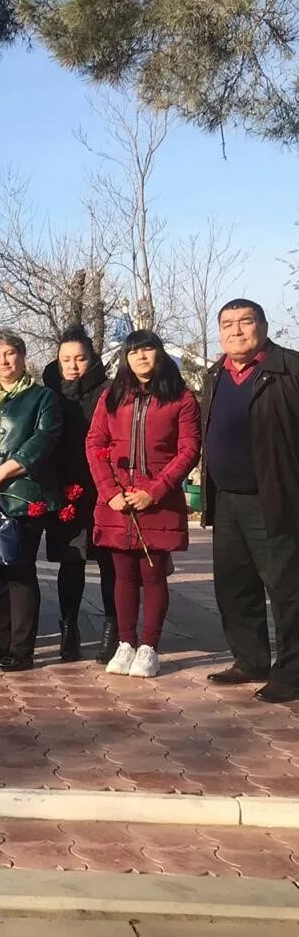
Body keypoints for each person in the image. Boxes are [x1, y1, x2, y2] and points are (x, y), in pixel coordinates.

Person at [86, 330, 201, 679]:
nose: (140, 357)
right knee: (122, 573)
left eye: (147, 350)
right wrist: (110, 492)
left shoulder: (182, 398)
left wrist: (156, 489)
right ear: (126, 358)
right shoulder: (111, 396)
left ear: (160, 354)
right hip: (118, 499)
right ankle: (126, 642)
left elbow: (188, 450)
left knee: (153, 574)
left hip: (158, 500)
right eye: (133, 352)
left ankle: (149, 646)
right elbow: (95, 444)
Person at [201, 299, 299, 703]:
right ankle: (250, 659)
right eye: (227, 324)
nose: (236, 331)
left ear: (263, 325)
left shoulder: (288, 369)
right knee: (234, 585)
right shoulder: (214, 375)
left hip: (275, 498)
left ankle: (291, 673)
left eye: (245, 322)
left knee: (287, 589)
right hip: (226, 500)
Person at [0, 330, 62, 672]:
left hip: (20, 495)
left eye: (9, 354)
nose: (4, 362)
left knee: (18, 570)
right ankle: (1, 642)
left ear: (22, 355)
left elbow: (41, 441)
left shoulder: (42, 398)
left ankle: (21, 649)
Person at [42, 326, 117, 664]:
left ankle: (112, 631)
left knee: (109, 563)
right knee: (70, 564)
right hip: (65, 489)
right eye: (65, 360)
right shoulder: (49, 393)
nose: (72, 366)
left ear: (93, 359)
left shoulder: (110, 393)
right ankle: (69, 629)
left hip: (104, 489)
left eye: (80, 359)